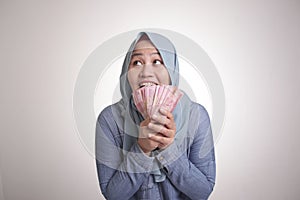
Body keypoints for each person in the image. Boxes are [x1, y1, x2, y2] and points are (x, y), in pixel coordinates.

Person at [95, 32, 216, 200]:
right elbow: (113, 195)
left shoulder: (196, 116)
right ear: (126, 72)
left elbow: (203, 191)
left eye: (157, 61)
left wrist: (168, 149)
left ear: (171, 69)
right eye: (136, 62)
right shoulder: (109, 120)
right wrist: (142, 149)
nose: (146, 73)